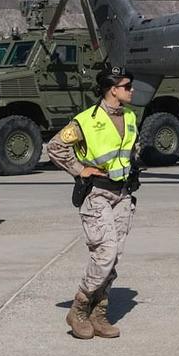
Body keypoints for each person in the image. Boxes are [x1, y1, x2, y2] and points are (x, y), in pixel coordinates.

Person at [46, 68, 137, 339]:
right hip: (97, 193)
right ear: (113, 89)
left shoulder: (131, 116)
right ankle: (80, 307)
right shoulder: (86, 120)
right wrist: (79, 169)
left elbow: (132, 150)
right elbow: (54, 146)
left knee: (115, 255)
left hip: (122, 194)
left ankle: (99, 312)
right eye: (127, 86)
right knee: (105, 252)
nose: (132, 90)